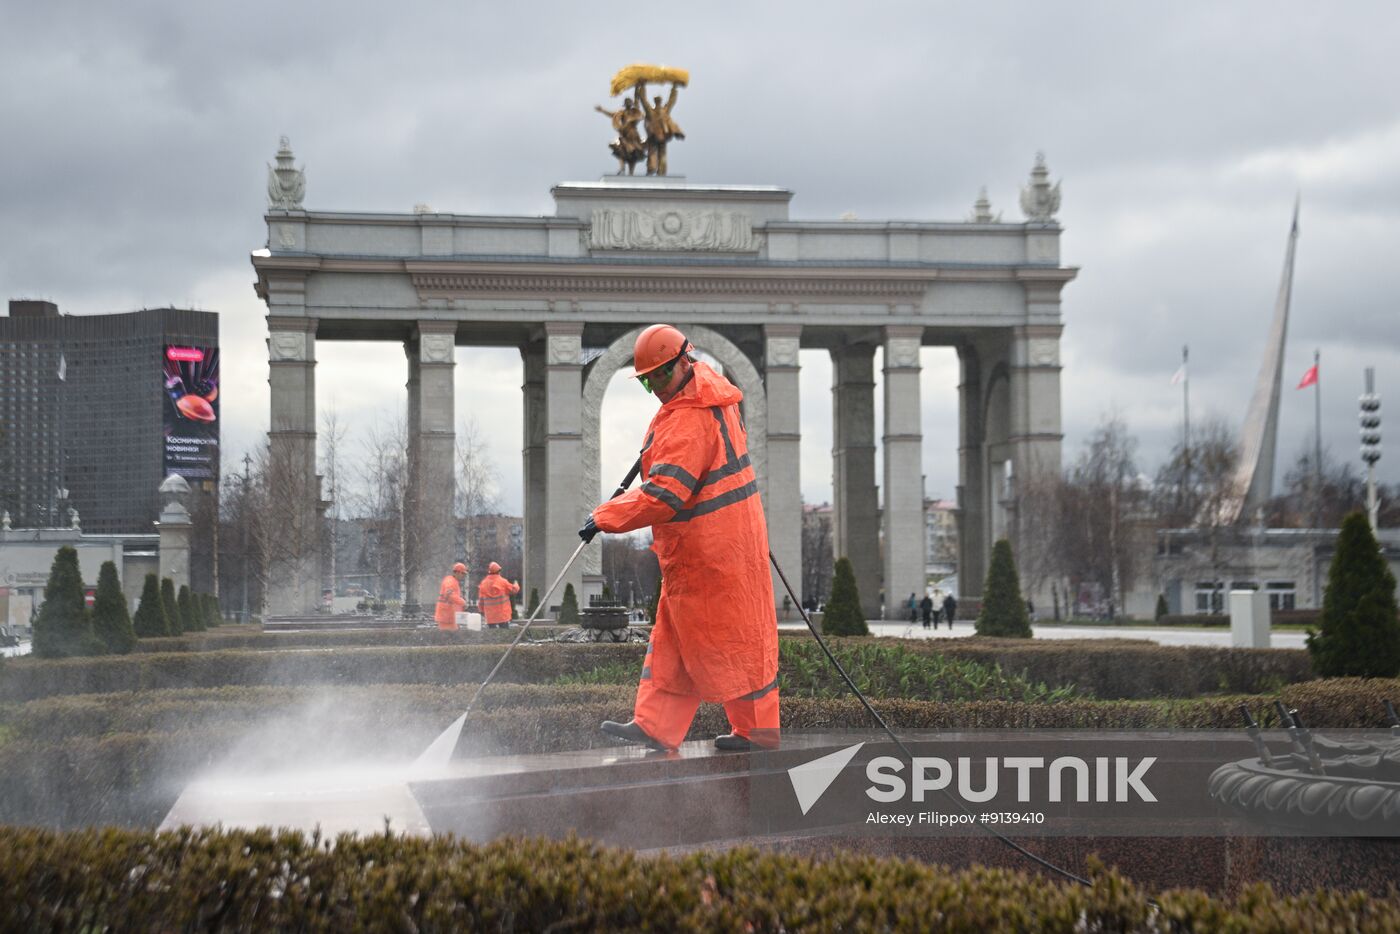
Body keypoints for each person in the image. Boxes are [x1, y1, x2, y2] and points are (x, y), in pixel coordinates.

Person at [579, 323, 778, 752]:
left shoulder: (690, 418)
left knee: (736, 642)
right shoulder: (708, 396)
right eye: (646, 382)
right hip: (707, 549)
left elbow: (664, 495)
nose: (655, 389)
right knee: (673, 641)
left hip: (714, 554)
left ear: (683, 362)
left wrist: (604, 517)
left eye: (659, 378)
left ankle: (757, 735)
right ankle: (654, 725)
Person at [636, 81, 685, 176]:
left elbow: (644, 100)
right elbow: (644, 101)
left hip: (659, 136)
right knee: (657, 154)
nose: (658, 101)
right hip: (658, 135)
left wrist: (674, 89)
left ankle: (658, 171)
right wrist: (674, 88)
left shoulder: (661, 111)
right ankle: (656, 170)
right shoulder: (655, 111)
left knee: (658, 154)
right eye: (657, 100)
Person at [594, 97, 644, 175]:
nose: (628, 103)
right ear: (624, 104)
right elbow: (612, 114)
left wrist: (633, 118)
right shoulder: (621, 112)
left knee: (634, 153)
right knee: (621, 151)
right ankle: (622, 168)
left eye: (629, 102)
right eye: (627, 102)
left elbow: (641, 116)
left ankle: (631, 173)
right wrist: (602, 110)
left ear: (631, 103)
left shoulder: (635, 112)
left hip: (633, 135)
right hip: (624, 134)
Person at [477, 561, 521, 629]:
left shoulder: (483, 583)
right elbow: (514, 590)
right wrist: (516, 583)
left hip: (490, 617)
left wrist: (481, 611)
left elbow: (481, 600)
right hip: (502, 616)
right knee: (504, 635)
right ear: (499, 571)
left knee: (493, 636)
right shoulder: (503, 582)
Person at [434, 562, 468, 631]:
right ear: (457, 572)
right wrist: (463, 602)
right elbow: (450, 595)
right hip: (446, 616)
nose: (463, 576)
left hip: (448, 615)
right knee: (449, 638)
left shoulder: (452, 581)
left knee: (451, 637)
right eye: (463, 574)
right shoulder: (450, 582)